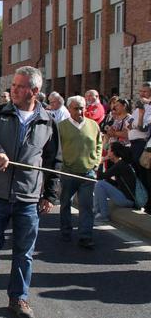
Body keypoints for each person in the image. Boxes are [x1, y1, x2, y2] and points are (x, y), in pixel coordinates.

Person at [0, 66, 60, 318]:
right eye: (13, 85)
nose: (14, 90)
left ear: (35, 91)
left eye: (20, 86)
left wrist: (50, 195)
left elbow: (53, 161)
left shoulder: (48, 121)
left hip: (28, 199)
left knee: (24, 251)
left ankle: (18, 298)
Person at [57, 96, 102, 249]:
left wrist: (96, 162)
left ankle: (85, 236)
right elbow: (56, 149)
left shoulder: (93, 125)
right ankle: (66, 231)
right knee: (65, 203)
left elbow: (99, 143)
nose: (80, 111)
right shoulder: (61, 127)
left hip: (88, 172)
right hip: (68, 172)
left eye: (82, 108)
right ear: (69, 109)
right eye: (76, 108)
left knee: (86, 206)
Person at [93, 142, 137, 222]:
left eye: (109, 150)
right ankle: (96, 211)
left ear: (113, 153)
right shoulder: (121, 163)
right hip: (128, 198)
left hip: (128, 200)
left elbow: (100, 177)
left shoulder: (120, 165)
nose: (107, 152)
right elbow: (119, 184)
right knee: (101, 184)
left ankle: (103, 215)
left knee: (100, 184)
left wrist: (101, 162)